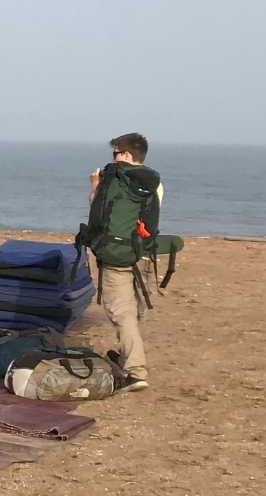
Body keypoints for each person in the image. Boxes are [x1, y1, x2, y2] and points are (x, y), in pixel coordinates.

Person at [86, 132, 163, 392]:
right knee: (133, 311)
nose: (113, 158)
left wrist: (95, 184)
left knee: (121, 313)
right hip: (143, 254)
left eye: (116, 153)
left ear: (127, 155)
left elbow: (96, 211)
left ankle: (135, 371)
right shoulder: (154, 182)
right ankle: (127, 357)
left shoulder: (113, 180)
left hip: (116, 256)